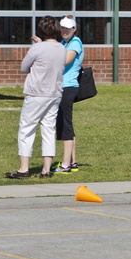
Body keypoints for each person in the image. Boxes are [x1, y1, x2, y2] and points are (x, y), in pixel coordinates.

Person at [5, 16, 66, 179]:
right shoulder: (61, 48)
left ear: (41, 30)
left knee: (26, 128)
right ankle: (47, 169)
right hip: (55, 93)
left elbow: (24, 67)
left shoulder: (37, 48)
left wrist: (37, 46)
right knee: (48, 129)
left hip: (37, 93)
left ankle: (24, 168)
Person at [53, 15, 83, 174]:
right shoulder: (63, 43)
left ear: (74, 28)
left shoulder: (75, 43)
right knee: (66, 124)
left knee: (65, 125)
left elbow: (65, 60)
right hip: (62, 87)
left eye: (68, 28)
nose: (64, 30)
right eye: (62, 27)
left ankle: (66, 165)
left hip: (68, 87)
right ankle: (73, 161)